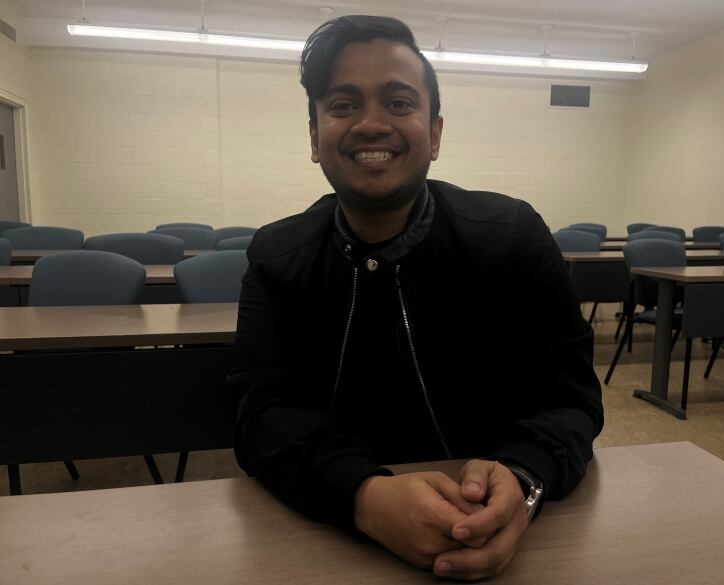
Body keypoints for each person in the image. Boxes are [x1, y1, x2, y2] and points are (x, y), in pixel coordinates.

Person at [230, 15, 603, 581]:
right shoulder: (277, 257)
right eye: (343, 105)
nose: (371, 124)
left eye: (399, 103)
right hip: (331, 550)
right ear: (314, 136)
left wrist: (524, 480)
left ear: (434, 132)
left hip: (505, 538)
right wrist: (364, 497)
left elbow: (572, 402)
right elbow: (262, 417)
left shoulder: (513, 238)